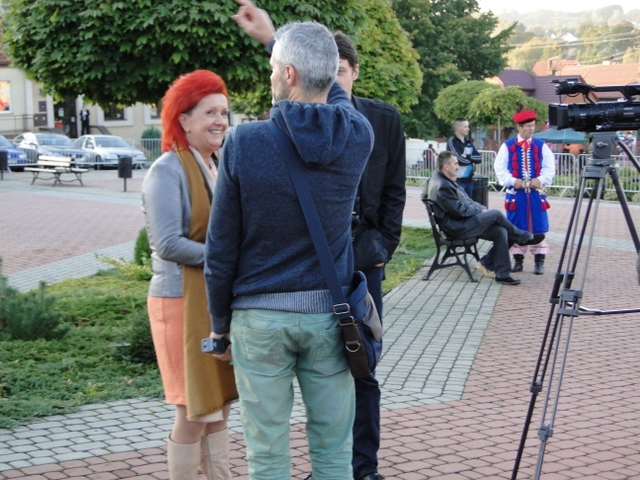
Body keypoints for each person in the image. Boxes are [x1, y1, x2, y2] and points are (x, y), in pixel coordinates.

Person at [205, 4, 374, 478]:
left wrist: (219, 326)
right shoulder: (357, 135)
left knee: (267, 454)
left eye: (274, 66)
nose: (271, 73)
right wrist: (275, 41)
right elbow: (334, 93)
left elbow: (221, 249)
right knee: (334, 452)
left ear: (289, 73)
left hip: (258, 319)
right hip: (329, 317)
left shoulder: (244, 142)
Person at [141, 70, 237, 479]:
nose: (220, 121)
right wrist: (228, 259)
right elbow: (168, 244)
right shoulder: (167, 169)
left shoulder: (215, 166)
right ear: (183, 119)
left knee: (219, 407)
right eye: (209, 112)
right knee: (194, 410)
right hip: (179, 302)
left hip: (212, 301)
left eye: (224, 113)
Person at [333, 31, 405, 480]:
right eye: (328, 73)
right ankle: (331, 465)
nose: (334, 81)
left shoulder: (383, 119)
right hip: (316, 262)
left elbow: (396, 190)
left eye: (341, 71)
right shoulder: (305, 120)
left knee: (363, 364)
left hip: (365, 259)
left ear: (355, 72)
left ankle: (364, 467)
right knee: (322, 368)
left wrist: (382, 249)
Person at [424, 151, 545, 286]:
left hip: (460, 223)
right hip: (457, 228)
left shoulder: (443, 180)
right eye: (456, 164)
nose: (458, 167)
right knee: (496, 214)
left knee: (501, 231)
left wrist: (480, 208)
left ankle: (502, 273)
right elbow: (458, 210)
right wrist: (479, 210)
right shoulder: (443, 185)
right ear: (446, 166)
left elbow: (467, 201)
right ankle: (523, 237)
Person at [494, 110, 554, 275]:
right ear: (519, 127)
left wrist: (540, 179)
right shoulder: (508, 146)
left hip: (535, 194)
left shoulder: (541, 145)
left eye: (533, 126)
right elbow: (500, 168)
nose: (531, 129)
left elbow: (550, 168)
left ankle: (539, 262)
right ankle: (518, 260)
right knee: (516, 226)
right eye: (527, 126)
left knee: (538, 226)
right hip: (516, 195)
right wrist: (513, 181)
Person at [446, 117, 482, 198]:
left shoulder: (468, 142)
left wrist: (467, 156)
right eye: (465, 127)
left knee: (468, 204)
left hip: (469, 181)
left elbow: (479, 158)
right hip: (457, 181)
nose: (468, 129)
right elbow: (459, 160)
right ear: (458, 128)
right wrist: (471, 160)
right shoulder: (452, 141)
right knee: (458, 204)